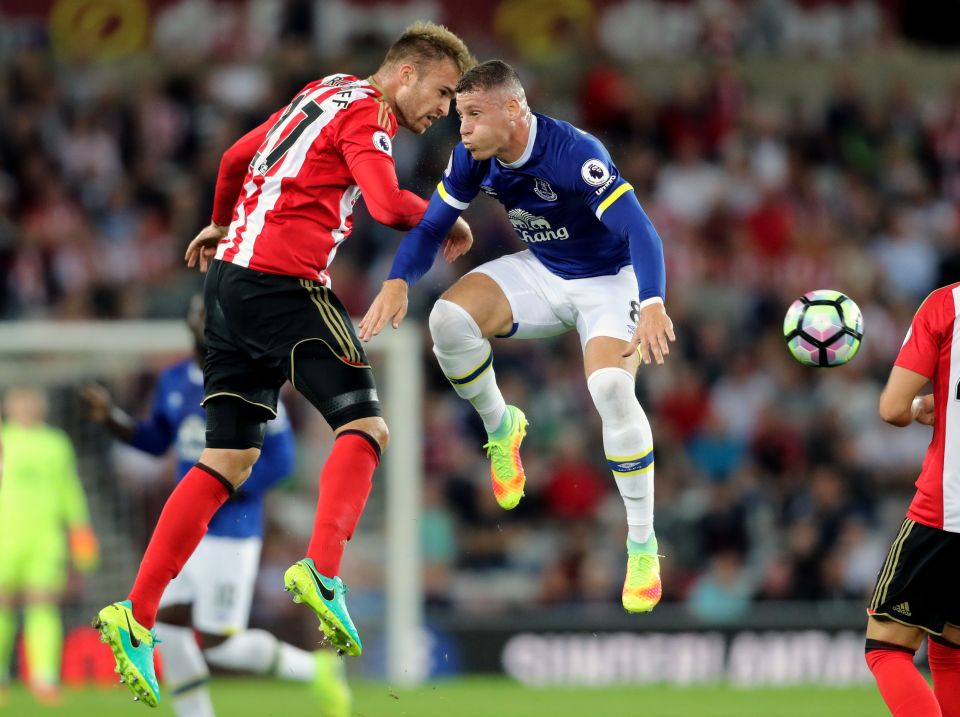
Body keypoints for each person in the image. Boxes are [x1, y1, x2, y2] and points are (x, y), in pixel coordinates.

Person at [93, 22, 475, 708]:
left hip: (226, 287)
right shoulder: (370, 111)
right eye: (444, 92)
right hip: (285, 282)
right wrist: (442, 216)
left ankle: (137, 615)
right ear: (408, 73)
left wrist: (218, 223)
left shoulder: (323, 89)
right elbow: (387, 203)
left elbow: (236, 158)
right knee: (366, 425)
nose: (444, 110)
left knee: (227, 460)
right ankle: (323, 570)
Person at [360, 59, 674, 615]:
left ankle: (643, 544)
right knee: (446, 321)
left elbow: (640, 229)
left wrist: (651, 303)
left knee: (611, 392)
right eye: (459, 116)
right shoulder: (472, 158)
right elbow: (432, 225)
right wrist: (396, 283)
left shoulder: (576, 153)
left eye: (473, 115)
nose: (462, 129)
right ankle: (501, 426)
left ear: (513, 110)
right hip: (544, 270)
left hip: (608, 282)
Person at [82, 295, 350, 717]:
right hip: (185, 531)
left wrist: (227, 487)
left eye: (215, 314)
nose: (207, 320)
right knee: (165, 622)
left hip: (232, 531)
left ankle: (314, 670)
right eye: (201, 312)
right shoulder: (172, 380)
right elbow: (156, 440)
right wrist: (112, 419)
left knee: (220, 642)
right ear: (189, 323)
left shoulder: (250, 379)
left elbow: (282, 461)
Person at [865, 282, 960, 717]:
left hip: (946, 511)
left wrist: (921, 405)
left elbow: (892, 408)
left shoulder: (947, 304)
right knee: (951, 650)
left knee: (886, 648)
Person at [0, 387, 99, 705]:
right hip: (5, 535)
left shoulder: (56, 443)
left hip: (45, 539)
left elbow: (69, 488)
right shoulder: (4, 439)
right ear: (8, 406)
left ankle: (44, 678)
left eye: (31, 400)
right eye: (20, 400)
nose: (26, 406)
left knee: (42, 605)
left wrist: (80, 529)